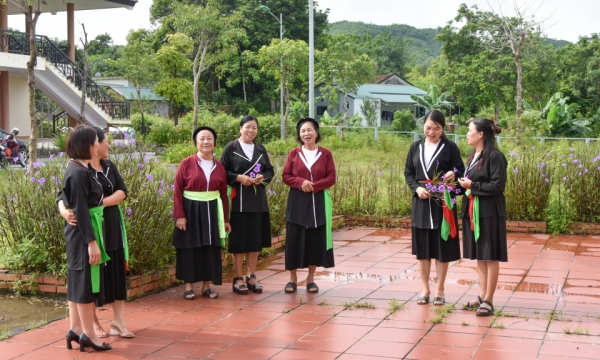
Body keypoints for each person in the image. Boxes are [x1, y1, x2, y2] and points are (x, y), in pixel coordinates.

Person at [58, 127, 133, 339]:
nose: (108, 145)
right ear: (93, 145)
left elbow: (122, 190)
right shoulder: (79, 170)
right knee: (90, 275)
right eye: (104, 141)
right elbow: (68, 197)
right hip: (90, 227)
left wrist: (102, 204)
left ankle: (117, 322)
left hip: (109, 224)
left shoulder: (106, 167)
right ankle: (91, 326)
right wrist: (64, 211)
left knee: (116, 272)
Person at [404, 110, 465, 306]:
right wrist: (417, 189)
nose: (431, 131)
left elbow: (460, 170)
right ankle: (425, 289)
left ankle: (440, 288)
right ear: (423, 126)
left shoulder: (450, 148)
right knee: (422, 251)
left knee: (442, 248)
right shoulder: (415, 147)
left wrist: (451, 174)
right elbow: (408, 173)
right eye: (428, 127)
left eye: (436, 128)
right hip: (421, 203)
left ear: (442, 129)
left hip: (442, 203)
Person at [60, 125, 111, 352]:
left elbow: (63, 195)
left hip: (79, 233)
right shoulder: (79, 172)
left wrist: (62, 207)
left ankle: (75, 329)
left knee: (77, 282)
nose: (99, 145)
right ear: (87, 145)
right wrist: (92, 243)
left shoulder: (79, 168)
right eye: (96, 141)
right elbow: (80, 210)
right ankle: (89, 334)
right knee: (84, 284)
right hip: (83, 235)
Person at [172, 126, 231, 300]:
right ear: (196, 142)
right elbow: (177, 190)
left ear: (214, 142)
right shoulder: (187, 163)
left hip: (212, 210)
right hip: (190, 210)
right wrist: (180, 215)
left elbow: (223, 194)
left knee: (210, 247)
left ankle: (207, 286)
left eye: (209, 138)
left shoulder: (219, 166)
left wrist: (226, 220)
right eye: (202, 138)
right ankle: (189, 286)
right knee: (190, 247)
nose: (206, 142)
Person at [458, 118, 508, 316]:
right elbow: (472, 181)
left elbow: (498, 185)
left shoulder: (495, 156)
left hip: (490, 212)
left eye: (470, 130)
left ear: (481, 135)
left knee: (490, 254)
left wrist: (473, 186)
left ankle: (489, 299)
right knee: (480, 254)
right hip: (474, 210)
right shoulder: (473, 155)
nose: (467, 134)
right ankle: (481, 294)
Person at [220, 115, 274, 295]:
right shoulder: (231, 148)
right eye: (248, 127)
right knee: (239, 241)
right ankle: (238, 277)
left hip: (257, 201)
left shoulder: (260, 148)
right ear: (240, 128)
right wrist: (238, 178)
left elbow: (269, 170)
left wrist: (262, 178)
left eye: (255, 128)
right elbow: (221, 171)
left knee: (254, 240)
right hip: (238, 201)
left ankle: (252, 276)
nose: (251, 131)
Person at [282, 117, 336, 294]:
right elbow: (286, 176)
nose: (306, 133)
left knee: (314, 241)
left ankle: (311, 279)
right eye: (303, 131)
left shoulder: (325, 154)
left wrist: (313, 186)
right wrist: (300, 182)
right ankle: (292, 279)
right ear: (299, 134)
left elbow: (331, 177)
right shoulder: (294, 153)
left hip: (317, 202)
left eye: (310, 130)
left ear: (317, 132)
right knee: (294, 240)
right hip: (297, 201)